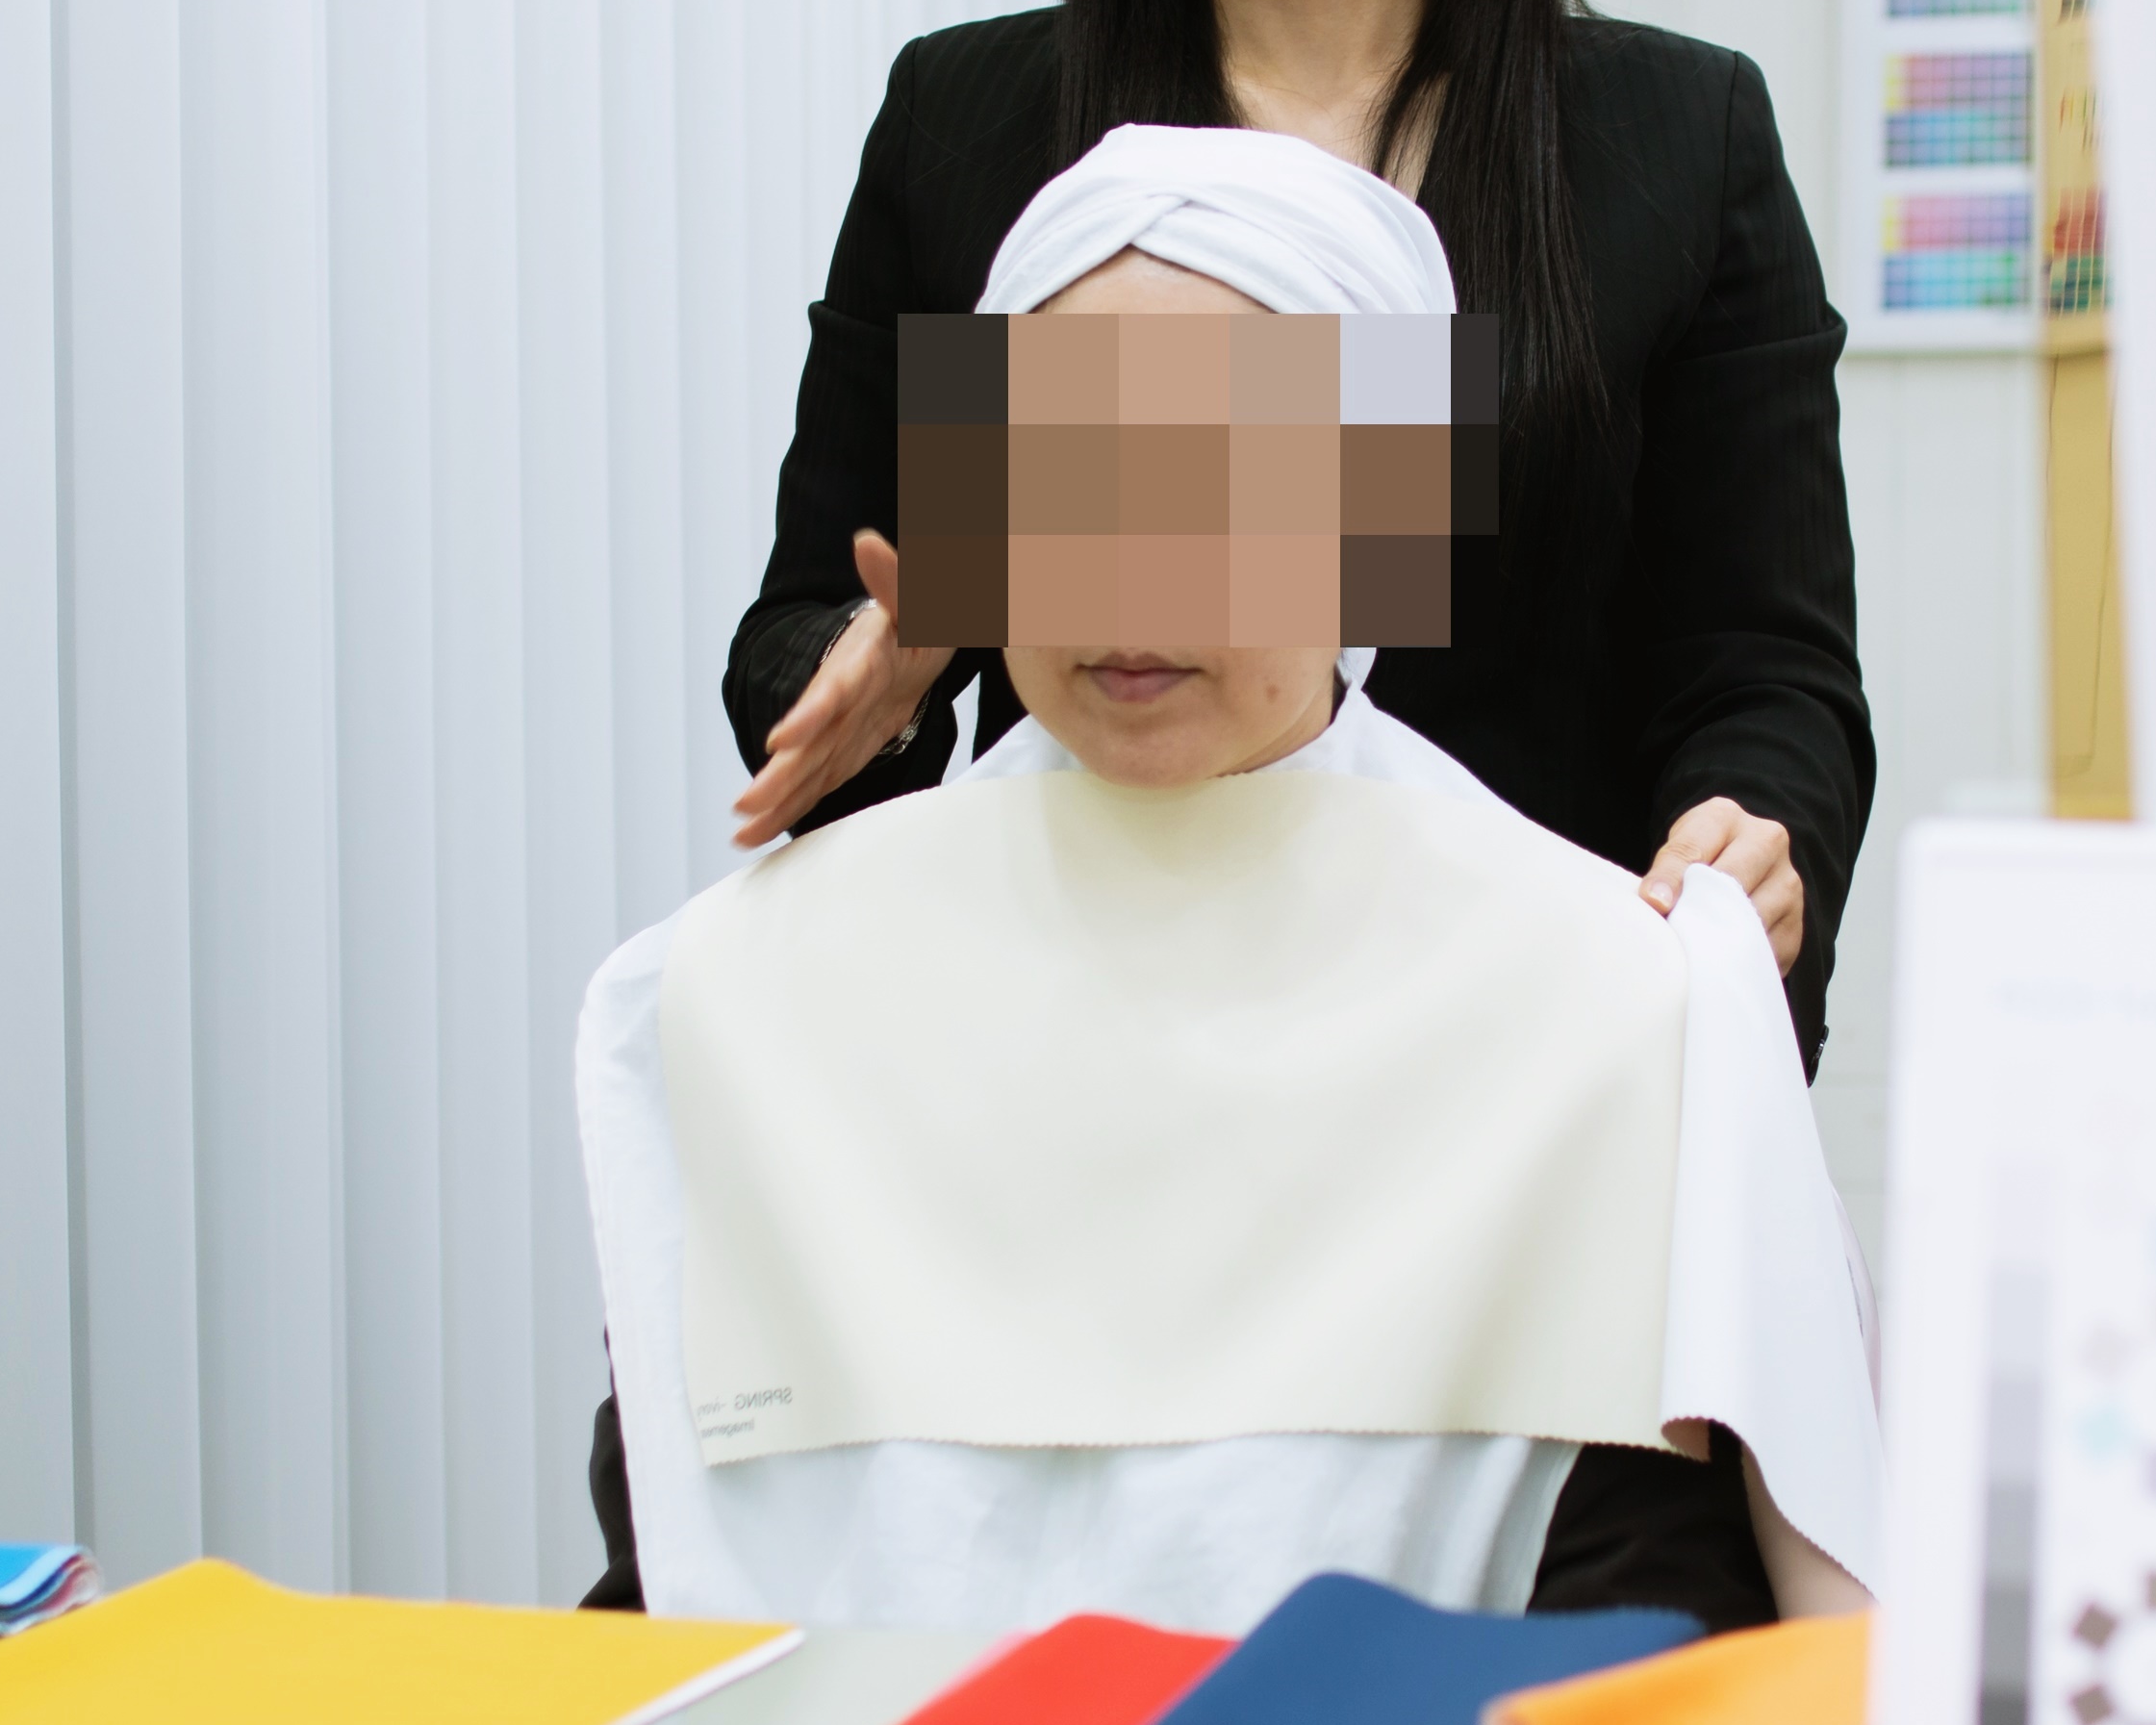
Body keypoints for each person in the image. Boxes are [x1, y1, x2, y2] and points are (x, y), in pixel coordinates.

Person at [671, 0, 1873, 1627]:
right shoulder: (981, 129)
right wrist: (900, 650)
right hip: (1075, 1120)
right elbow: (826, 635)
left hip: (1493, 1126)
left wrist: (1746, 841)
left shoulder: (1665, 142)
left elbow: (1765, 663)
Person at [576, 129, 1877, 1636]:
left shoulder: (1603, 998)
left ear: (1381, 505)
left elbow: (1646, 1607)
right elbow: (674, 1576)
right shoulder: (746, 992)